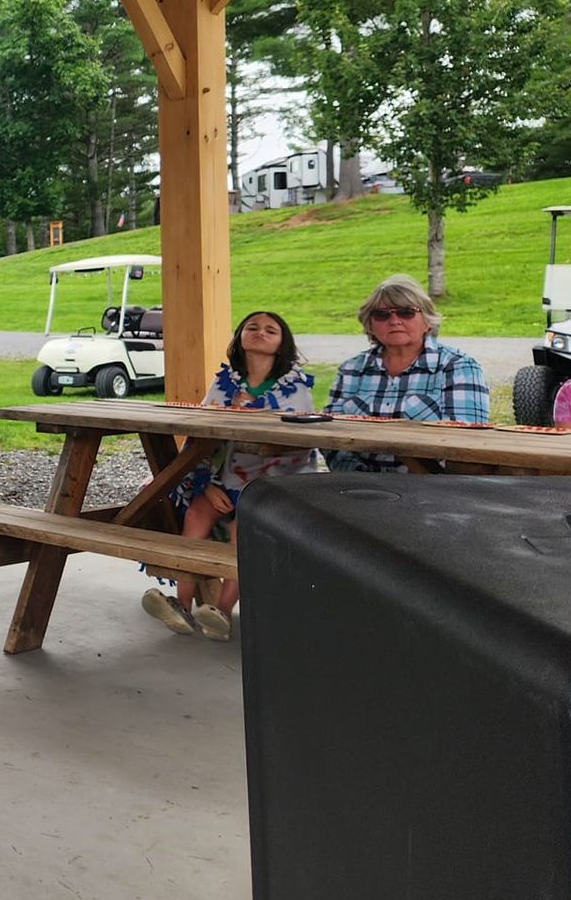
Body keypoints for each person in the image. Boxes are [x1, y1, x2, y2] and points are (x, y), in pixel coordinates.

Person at [141, 310, 317, 642]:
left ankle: (221, 612)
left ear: (283, 343)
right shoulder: (223, 383)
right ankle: (179, 605)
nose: (260, 333)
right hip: (222, 481)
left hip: (272, 486)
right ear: (239, 338)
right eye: (252, 327)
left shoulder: (295, 388)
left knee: (242, 529)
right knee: (194, 516)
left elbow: (299, 446)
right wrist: (206, 485)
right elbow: (200, 438)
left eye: (270, 330)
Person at [323, 275, 489, 470]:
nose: (394, 321)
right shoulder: (351, 370)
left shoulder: (458, 367)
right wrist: (358, 477)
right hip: (358, 486)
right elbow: (329, 437)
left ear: (428, 321)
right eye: (382, 315)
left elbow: (467, 444)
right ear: (370, 325)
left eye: (406, 312)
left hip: (431, 488)